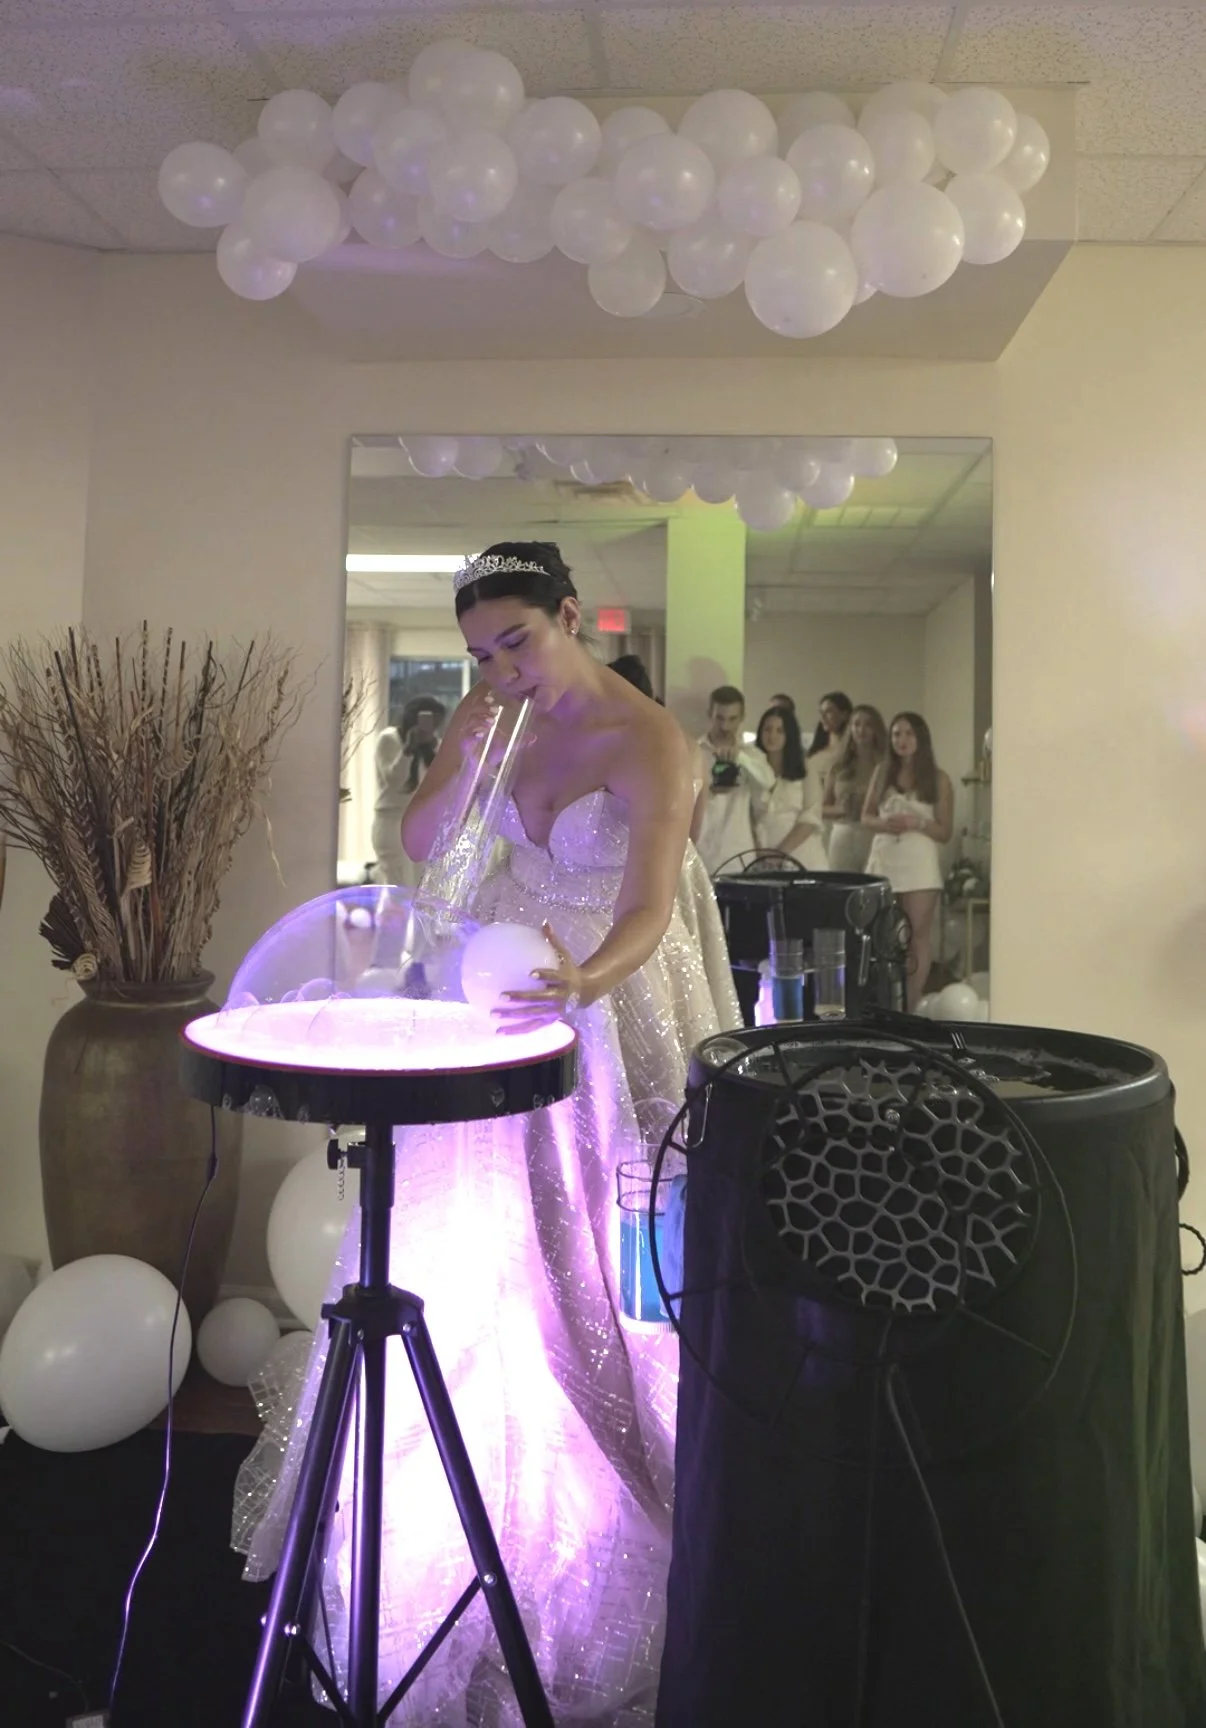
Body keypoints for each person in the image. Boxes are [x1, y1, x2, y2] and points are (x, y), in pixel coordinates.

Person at [235, 542, 729, 1726]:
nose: (502, 668)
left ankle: (615, 1519)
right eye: (480, 653)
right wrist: (460, 759)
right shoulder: (485, 716)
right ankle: (459, 1508)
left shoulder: (650, 739)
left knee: (594, 1274)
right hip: (491, 1003)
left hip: (601, 1001)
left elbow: (653, 905)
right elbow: (422, 849)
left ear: (574, 616)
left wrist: (581, 986)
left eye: (519, 641)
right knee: (474, 1257)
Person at [609, 652, 741, 1030]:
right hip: (685, 865)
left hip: (642, 864)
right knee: (684, 973)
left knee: (650, 968)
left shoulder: (628, 742)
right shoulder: (690, 745)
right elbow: (693, 831)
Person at [863, 711, 953, 1010]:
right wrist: (884, 823)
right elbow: (866, 817)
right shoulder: (882, 772)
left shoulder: (938, 779)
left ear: (921, 739)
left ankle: (910, 1006)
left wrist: (917, 823)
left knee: (917, 935)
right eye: (897, 734)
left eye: (909, 734)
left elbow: (944, 831)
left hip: (918, 862)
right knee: (881, 934)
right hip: (886, 856)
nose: (902, 740)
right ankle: (883, 1002)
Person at [694, 684, 775, 877]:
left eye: (732, 719)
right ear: (709, 715)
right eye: (719, 718)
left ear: (742, 717)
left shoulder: (751, 756)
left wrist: (739, 757)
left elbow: (768, 781)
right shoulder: (694, 752)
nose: (725, 726)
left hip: (739, 854)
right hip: (702, 853)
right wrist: (711, 792)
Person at [370, 695, 447, 887]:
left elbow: (439, 784)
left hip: (422, 822)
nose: (432, 726)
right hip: (392, 819)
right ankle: (391, 918)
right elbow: (394, 780)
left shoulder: (434, 745)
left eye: (437, 721)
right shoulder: (389, 739)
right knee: (395, 883)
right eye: (429, 719)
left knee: (420, 885)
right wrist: (408, 750)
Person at [750, 704, 828, 871]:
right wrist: (759, 850)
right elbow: (748, 814)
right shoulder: (753, 768)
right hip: (763, 857)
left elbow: (811, 816)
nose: (772, 736)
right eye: (767, 729)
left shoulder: (805, 769)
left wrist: (780, 853)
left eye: (780, 731)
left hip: (801, 854)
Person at [823, 703, 887, 872]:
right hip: (843, 833)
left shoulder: (886, 767)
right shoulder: (838, 766)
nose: (861, 729)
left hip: (874, 834)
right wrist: (840, 809)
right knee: (840, 888)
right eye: (856, 724)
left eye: (868, 725)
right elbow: (822, 807)